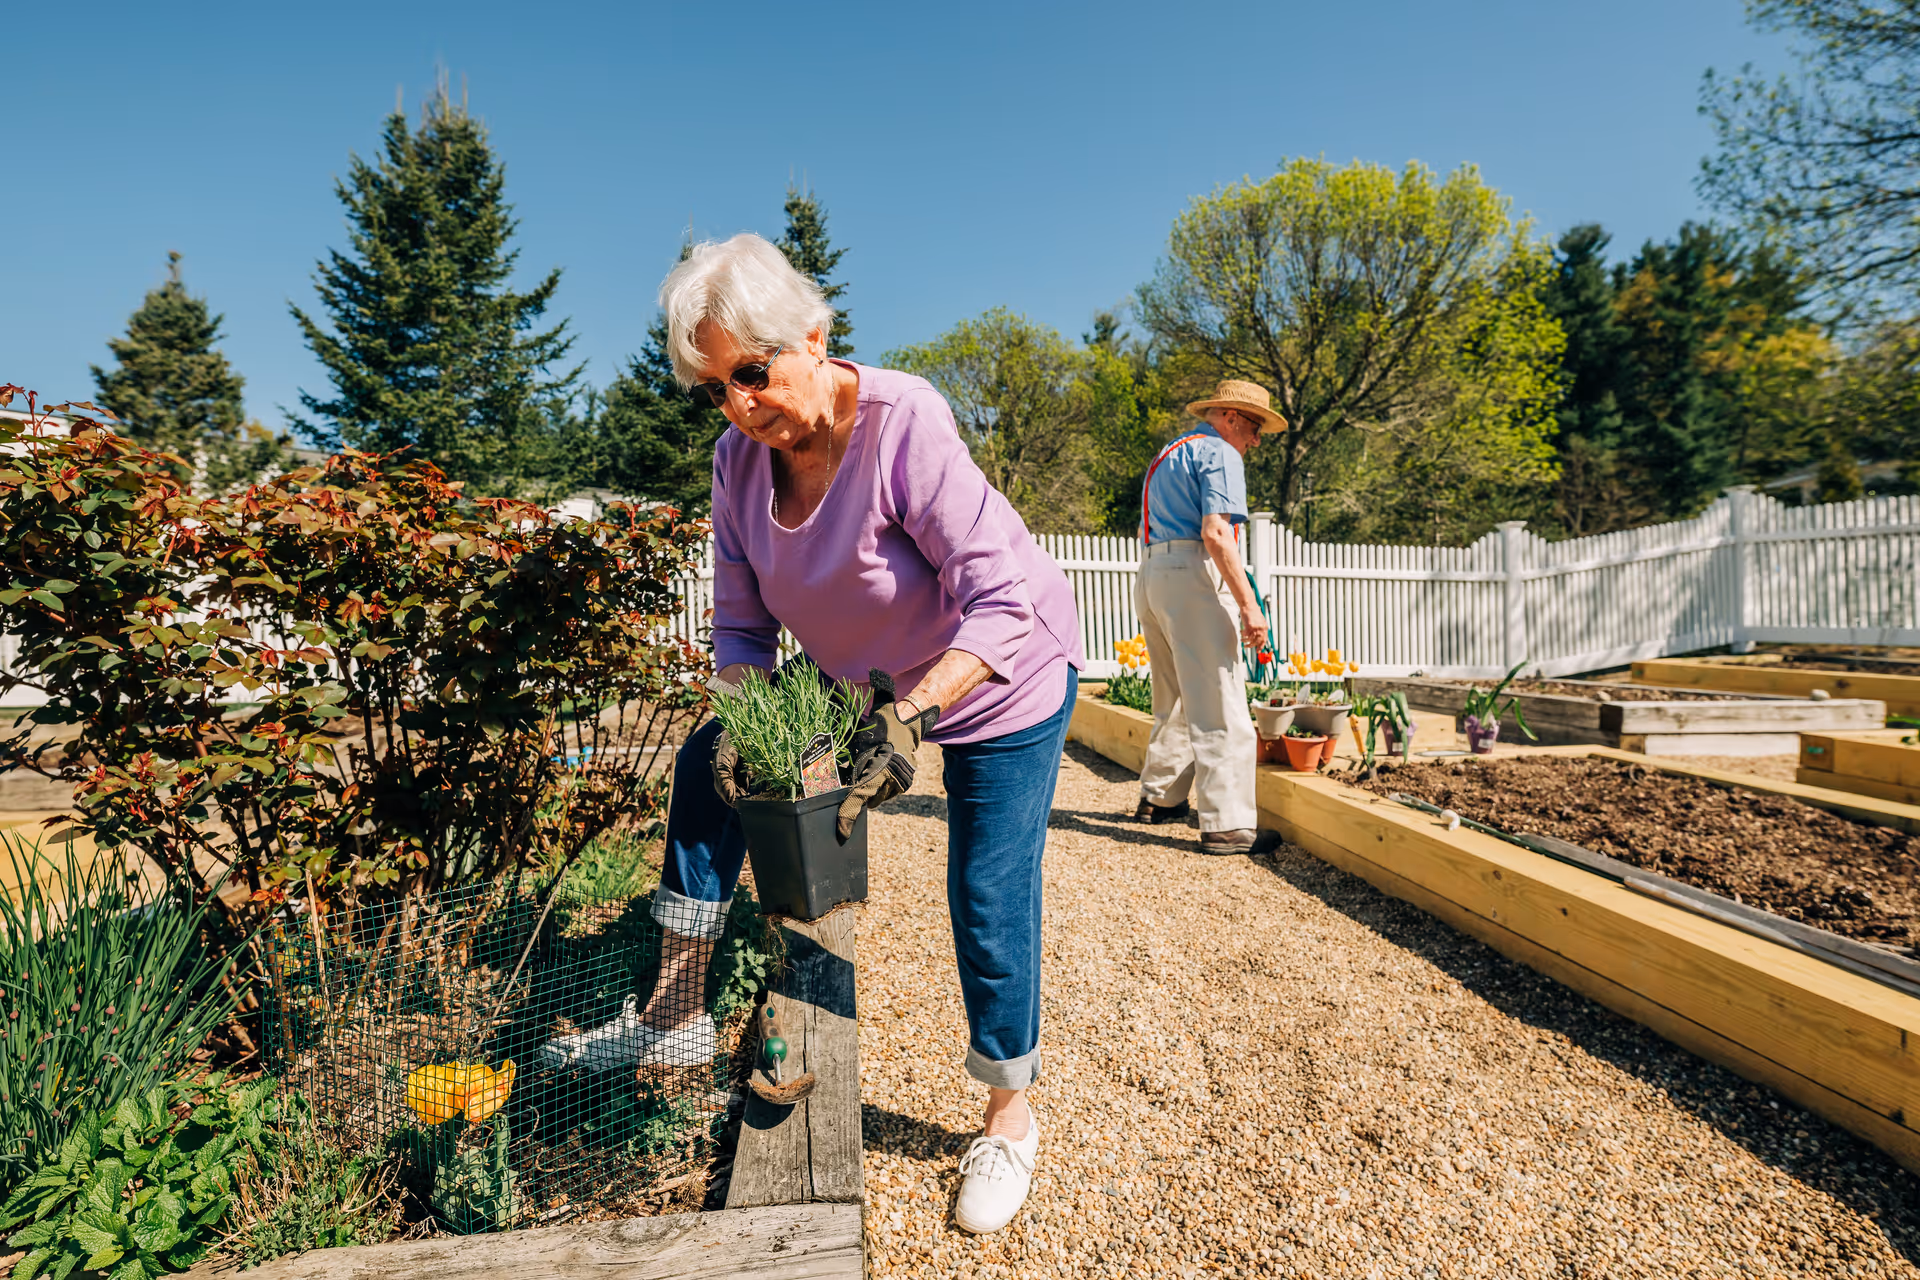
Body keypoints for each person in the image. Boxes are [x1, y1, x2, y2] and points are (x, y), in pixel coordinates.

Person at [633, 233, 1082, 1235]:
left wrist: (914, 715)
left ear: (812, 334)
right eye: (716, 390)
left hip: (1000, 670)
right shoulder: (735, 466)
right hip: (868, 681)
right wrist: (749, 729)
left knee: (986, 882)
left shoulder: (900, 420)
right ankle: (671, 1014)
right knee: (708, 763)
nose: (741, 406)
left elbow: (1000, 602)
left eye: (752, 372)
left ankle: (1009, 1113)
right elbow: (744, 630)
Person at [1131, 379, 1285, 855]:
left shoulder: (1170, 453)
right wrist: (1250, 607)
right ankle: (1228, 826)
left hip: (1153, 572)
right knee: (1221, 699)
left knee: (1176, 695)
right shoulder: (1221, 453)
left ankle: (1161, 797)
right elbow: (1217, 534)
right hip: (1193, 572)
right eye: (1255, 427)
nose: (1256, 440)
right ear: (1231, 417)